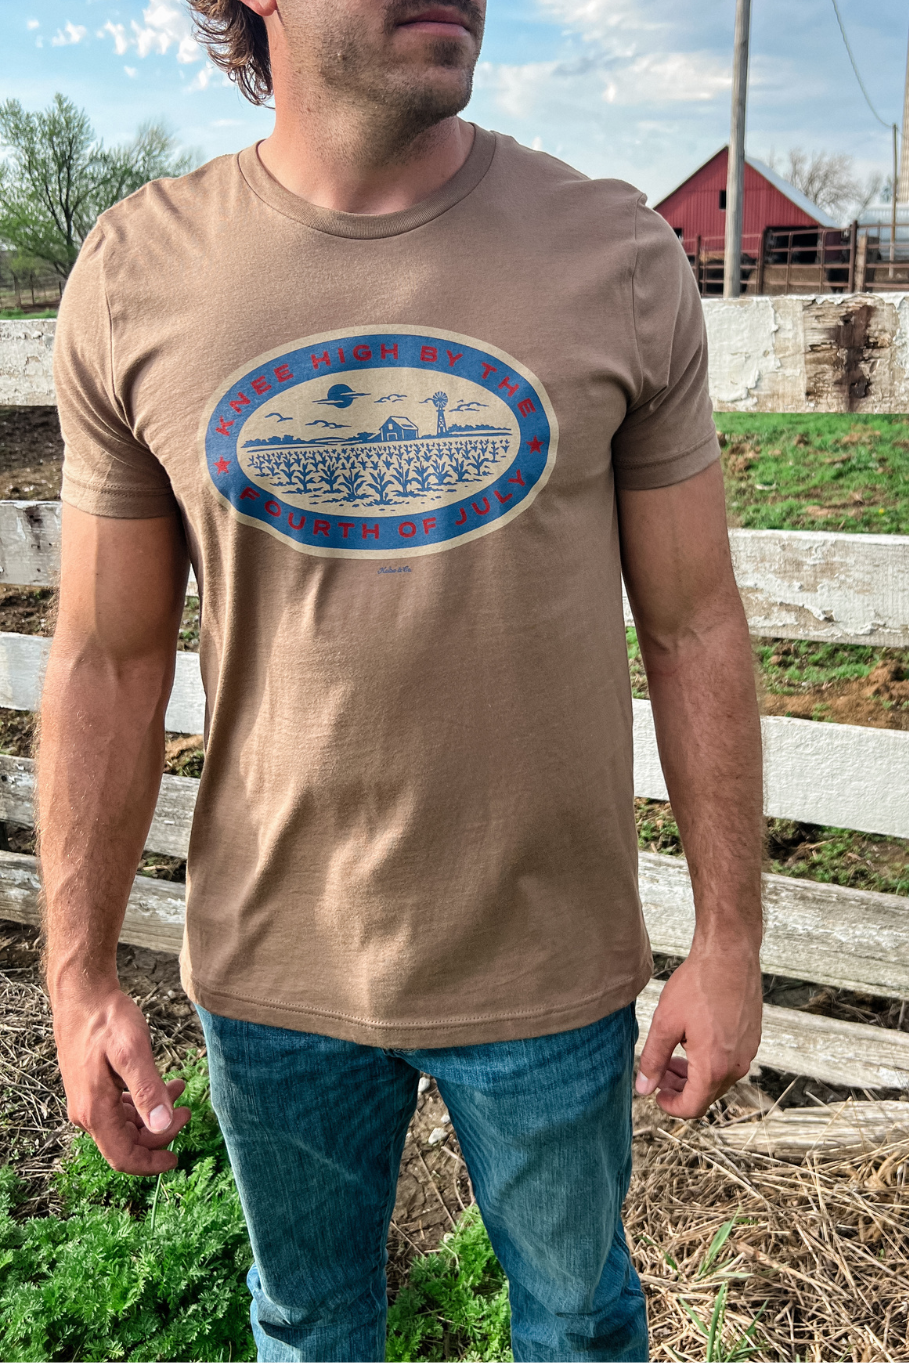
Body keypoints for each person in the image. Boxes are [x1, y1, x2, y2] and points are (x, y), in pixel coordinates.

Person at [39, 1, 764, 1359]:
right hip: (271, 972)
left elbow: (697, 620)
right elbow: (107, 655)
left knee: (581, 1321)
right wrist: (76, 977)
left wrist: (728, 942)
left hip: (550, 965)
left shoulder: (610, 253)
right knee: (311, 1326)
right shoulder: (141, 273)